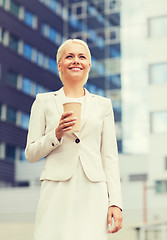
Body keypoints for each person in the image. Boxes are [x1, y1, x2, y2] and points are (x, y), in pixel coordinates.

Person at [25, 39, 123, 240]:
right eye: (69, 56)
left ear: (89, 64)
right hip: (56, 188)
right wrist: (56, 134)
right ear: (59, 64)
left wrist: (116, 202)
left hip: (93, 189)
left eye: (82, 56)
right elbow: (31, 153)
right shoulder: (43, 101)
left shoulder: (103, 105)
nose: (76, 60)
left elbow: (110, 157)